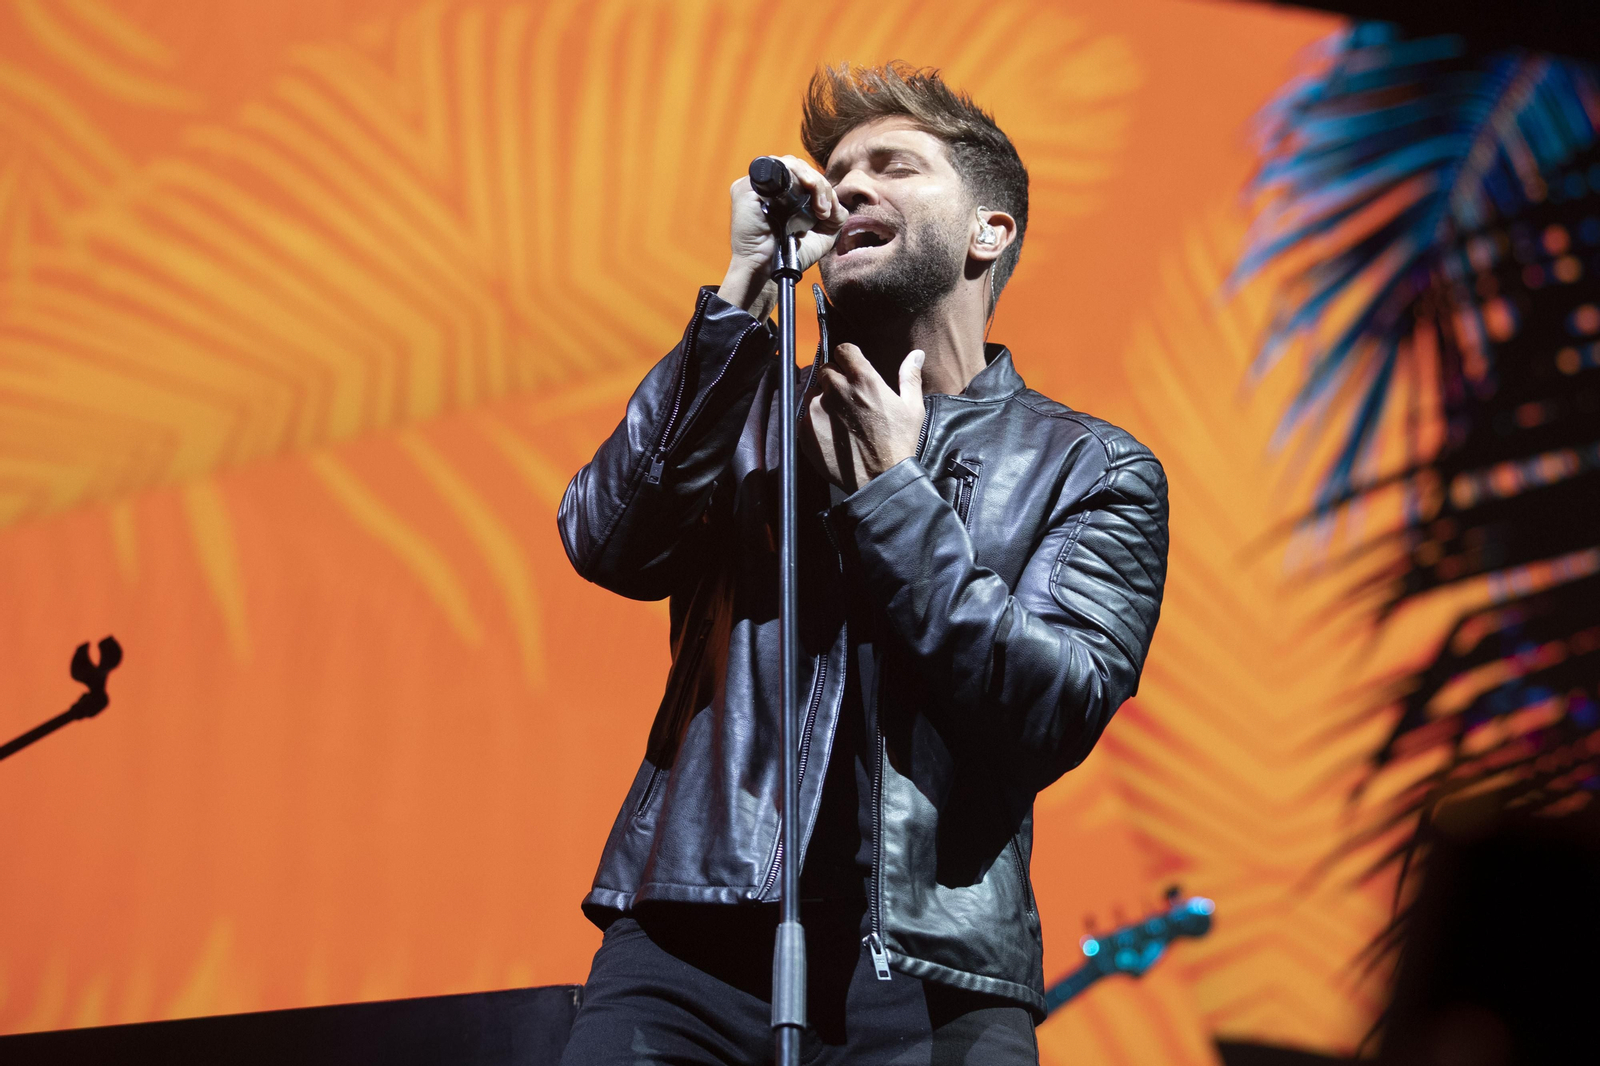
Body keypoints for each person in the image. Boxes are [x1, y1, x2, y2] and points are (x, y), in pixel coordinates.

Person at [556, 61, 1168, 1065]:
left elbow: (1049, 705)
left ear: (988, 232)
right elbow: (609, 540)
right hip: (686, 952)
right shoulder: (749, 406)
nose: (847, 188)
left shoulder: (1088, 466)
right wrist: (744, 287)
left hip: (932, 982)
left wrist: (892, 495)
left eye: (895, 166)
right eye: (839, 172)